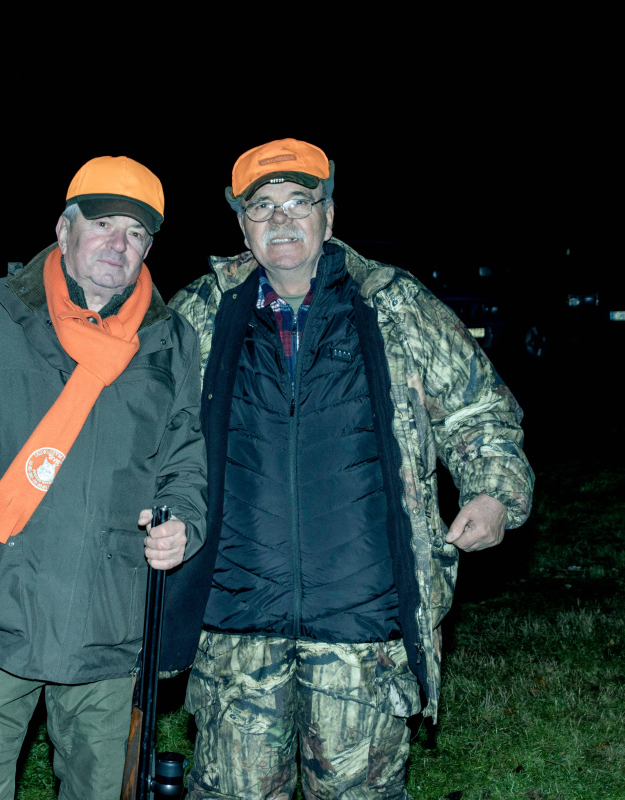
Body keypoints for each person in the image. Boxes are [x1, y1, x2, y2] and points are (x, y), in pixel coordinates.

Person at [164, 139, 535, 799]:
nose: (282, 219)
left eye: (299, 202)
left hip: (365, 628)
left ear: (328, 216)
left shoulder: (393, 304)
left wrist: (494, 493)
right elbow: (145, 429)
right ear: (242, 226)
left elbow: (478, 408)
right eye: (262, 206)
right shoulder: (199, 312)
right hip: (234, 622)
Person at [0, 156, 208, 800]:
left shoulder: (170, 340)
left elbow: (185, 459)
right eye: (104, 224)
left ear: (148, 249)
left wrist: (183, 522)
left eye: (136, 233)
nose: (118, 244)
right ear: (64, 229)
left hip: (108, 619)